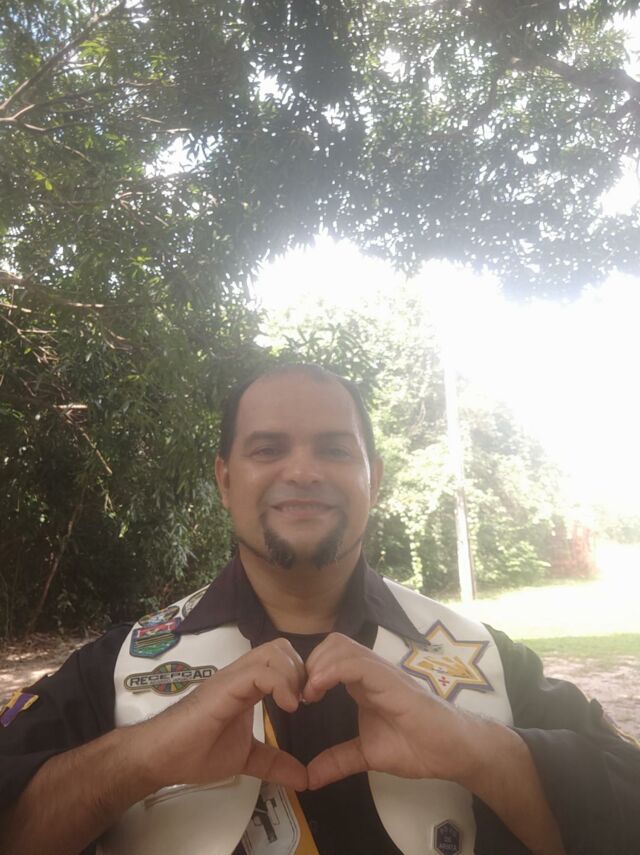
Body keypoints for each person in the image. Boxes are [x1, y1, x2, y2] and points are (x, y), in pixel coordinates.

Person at [0, 364, 638, 855]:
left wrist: (478, 751)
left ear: (373, 479)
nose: (302, 471)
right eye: (267, 449)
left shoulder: (489, 660)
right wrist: (137, 759)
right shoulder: (113, 668)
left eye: (334, 449)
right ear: (225, 480)